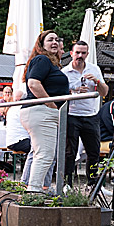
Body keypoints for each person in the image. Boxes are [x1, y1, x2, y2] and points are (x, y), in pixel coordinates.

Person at [20, 29, 68, 192]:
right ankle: (34, 189)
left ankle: (35, 187)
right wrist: (52, 104)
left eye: (57, 39)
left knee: (40, 152)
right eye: (50, 40)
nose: (54, 42)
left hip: (40, 111)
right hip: (41, 111)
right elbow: (33, 83)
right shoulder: (42, 59)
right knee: (45, 154)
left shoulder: (49, 63)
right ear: (41, 45)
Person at [62, 40, 109, 184]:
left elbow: (105, 92)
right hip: (72, 114)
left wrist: (97, 82)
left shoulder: (94, 69)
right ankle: (67, 184)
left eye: (83, 53)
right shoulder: (65, 72)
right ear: (71, 54)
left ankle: (92, 184)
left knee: (94, 152)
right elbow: (59, 94)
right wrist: (73, 89)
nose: (80, 56)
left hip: (91, 115)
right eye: (77, 53)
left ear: (87, 54)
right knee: (70, 152)